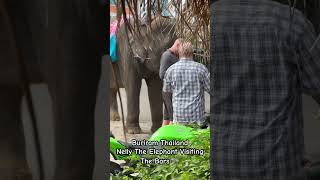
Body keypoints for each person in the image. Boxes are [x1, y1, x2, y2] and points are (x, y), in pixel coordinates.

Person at [211, 0, 320, 179]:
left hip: (220, 164)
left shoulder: (212, 18)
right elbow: (316, 83)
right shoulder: (291, 21)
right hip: (278, 166)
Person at [163, 41, 210, 126]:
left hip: (178, 118)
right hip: (197, 119)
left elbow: (166, 92)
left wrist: (170, 117)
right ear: (193, 53)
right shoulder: (201, 69)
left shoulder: (171, 70)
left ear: (179, 53)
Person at [159, 38, 183, 126]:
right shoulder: (167, 56)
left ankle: (161, 138)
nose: (181, 52)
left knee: (167, 118)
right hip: (169, 92)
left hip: (170, 92)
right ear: (177, 45)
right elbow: (162, 74)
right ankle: (170, 138)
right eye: (181, 49)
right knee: (173, 118)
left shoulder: (174, 56)